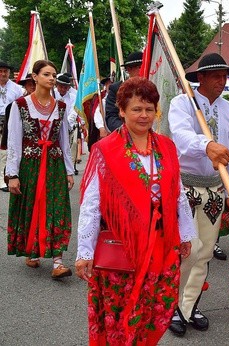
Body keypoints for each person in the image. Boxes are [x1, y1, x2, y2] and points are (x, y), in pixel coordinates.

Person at [75, 77, 196, 345]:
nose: (144, 115)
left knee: (156, 311)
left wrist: (185, 234)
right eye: (136, 109)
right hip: (122, 249)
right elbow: (92, 205)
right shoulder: (104, 150)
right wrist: (85, 251)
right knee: (121, 316)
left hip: (161, 245)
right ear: (121, 110)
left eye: (149, 109)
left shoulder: (166, 146)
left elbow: (178, 193)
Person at [167, 52, 229, 337]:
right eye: (216, 76)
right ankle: (172, 304)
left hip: (216, 188)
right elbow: (181, 137)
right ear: (202, 78)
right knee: (188, 249)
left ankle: (188, 306)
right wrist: (207, 144)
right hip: (184, 187)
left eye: (225, 76)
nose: (222, 81)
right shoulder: (182, 103)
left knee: (206, 252)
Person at [5, 59, 75, 278]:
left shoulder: (61, 108)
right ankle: (32, 250)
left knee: (56, 208)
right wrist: (12, 175)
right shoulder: (20, 105)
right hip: (30, 165)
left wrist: (69, 170)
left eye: (53, 74)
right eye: (46, 74)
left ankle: (57, 262)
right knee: (31, 206)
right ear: (34, 77)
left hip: (54, 165)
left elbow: (64, 141)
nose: (52, 78)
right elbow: (14, 141)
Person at [0, 61, 24, 192]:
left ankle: (4, 178)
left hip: (9, 122)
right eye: (1, 71)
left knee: (5, 151)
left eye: (5, 71)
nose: (3, 74)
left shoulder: (17, 89)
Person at [105, 51, 143, 132]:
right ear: (129, 69)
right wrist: (128, 130)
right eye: (139, 67)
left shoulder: (155, 87)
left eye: (146, 65)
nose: (143, 69)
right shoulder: (117, 89)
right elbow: (111, 117)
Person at [0, 74, 35, 155]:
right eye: (30, 84)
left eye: (35, 84)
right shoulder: (16, 104)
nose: (33, 87)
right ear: (25, 86)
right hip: (20, 141)